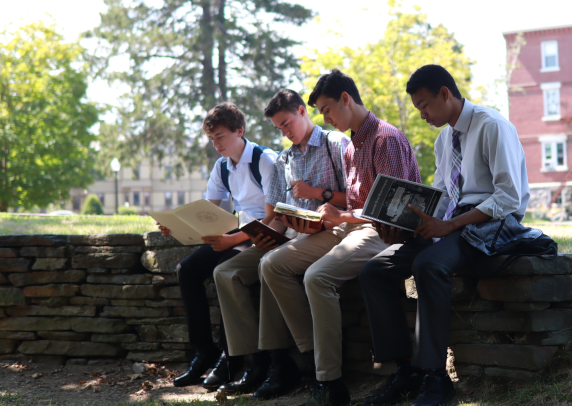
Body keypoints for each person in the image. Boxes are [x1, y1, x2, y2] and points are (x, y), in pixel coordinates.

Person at [358, 64, 530, 406]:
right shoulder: (444, 139)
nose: (422, 114)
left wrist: (450, 225)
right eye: (417, 108)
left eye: (424, 105)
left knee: (428, 265)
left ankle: (436, 377)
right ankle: (405, 370)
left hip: (491, 223)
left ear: (445, 94)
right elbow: (442, 195)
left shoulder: (492, 126)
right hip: (452, 223)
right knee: (375, 271)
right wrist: (405, 223)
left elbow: (508, 198)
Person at [255, 69, 421, 406]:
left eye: (328, 109)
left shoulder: (384, 139)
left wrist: (339, 214)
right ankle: (318, 346)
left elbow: (393, 212)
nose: (326, 117)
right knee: (272, 263)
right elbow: (355, 202)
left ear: (346, 99)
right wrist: (320, 220)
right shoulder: (354, 143)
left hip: (383, 233)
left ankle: (329, 381)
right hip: (347, 228)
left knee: (318, 277)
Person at [212, 88, 350, 396]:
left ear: (303, 111)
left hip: (330, 231)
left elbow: (357, 199)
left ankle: (295, 359)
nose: (284, 133)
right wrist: (267, 233)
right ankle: (255, 362)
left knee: (270, 264)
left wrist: (318, 194)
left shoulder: (335, 144)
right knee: (226, 272)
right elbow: (274, 215)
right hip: (290, 235)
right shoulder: (284, 160)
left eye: (287, 123)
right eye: (278, 128)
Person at [158, 103, 279, 390]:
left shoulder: (265, 160)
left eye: (221, 137)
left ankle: (231, 357)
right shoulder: (222, 166)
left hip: (261, 233)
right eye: (212, 139)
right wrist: (175, 225)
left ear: (240, 131)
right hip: (236, 229)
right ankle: (205, 351)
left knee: (224, 272)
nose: (216, 145)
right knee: (186, 270)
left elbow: (271, 217)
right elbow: (206, 211)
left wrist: (232, 239)